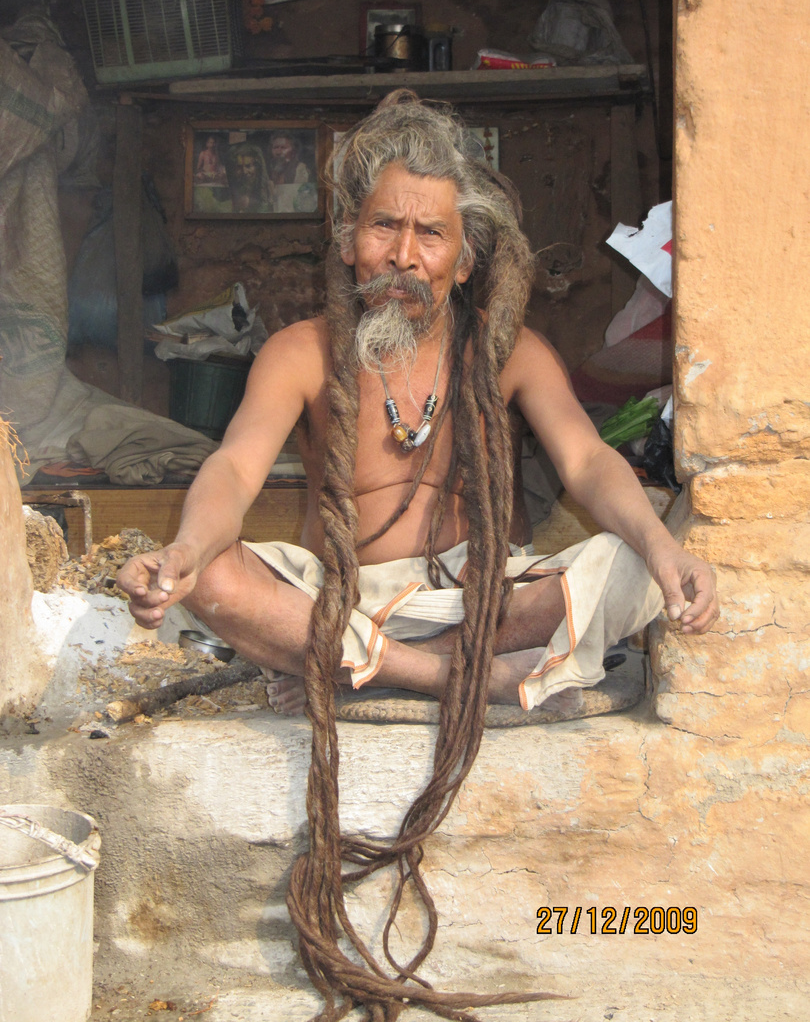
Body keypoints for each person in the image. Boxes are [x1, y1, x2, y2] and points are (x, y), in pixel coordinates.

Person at [117, 91, 718, 1017]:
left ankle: (412, 666)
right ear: (348, 237)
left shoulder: (506, 348)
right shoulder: (300, 350)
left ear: (465, 257)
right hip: (344, 603)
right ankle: (445, 678)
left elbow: (589, 458)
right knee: (224, 581)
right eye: (385, 226)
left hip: (475, 598)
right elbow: (233, 466)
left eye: (430, 235)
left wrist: (658, 548)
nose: (405, 256)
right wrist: (188, 551)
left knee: (648, 553)